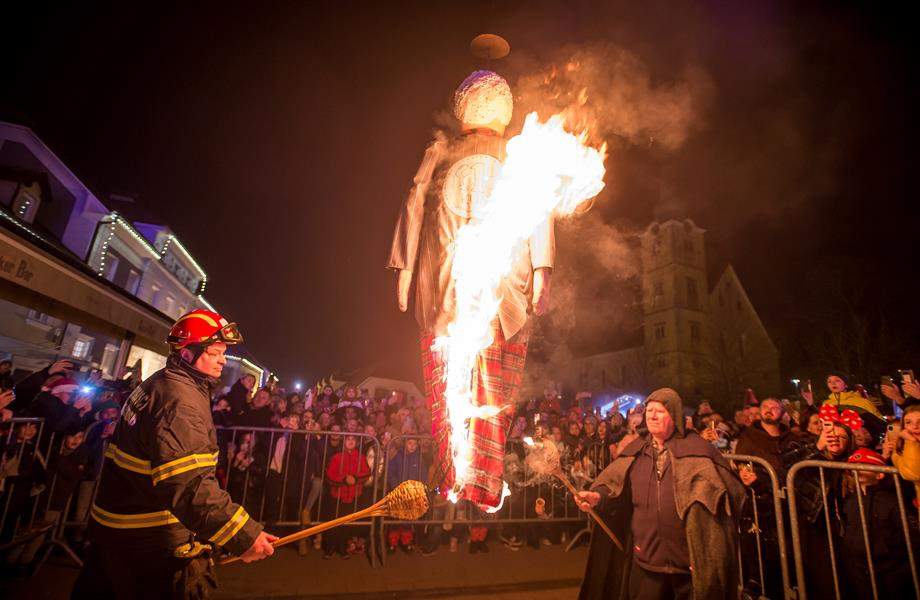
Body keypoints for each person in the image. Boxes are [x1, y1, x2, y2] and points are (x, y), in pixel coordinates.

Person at [387, 69, 555, 509]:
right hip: (446, 283)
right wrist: (404, 266)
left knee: (488, 396)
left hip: (498, 291)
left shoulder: (521, 153)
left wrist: (543, 265)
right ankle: (455, 478)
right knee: (452, 390)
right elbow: (416, 198)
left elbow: (540, 209)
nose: (484, 104)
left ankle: (481, 482)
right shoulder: (442, 150)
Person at [71, 309, 277, 600]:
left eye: (223, 352)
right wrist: (243, 535)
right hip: (147, 542)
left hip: (118, 532)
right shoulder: (179, 400)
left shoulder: (165, 382)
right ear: (188, 353)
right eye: (215, 352)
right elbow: (189, 484)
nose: (222, 360)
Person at [576, 388, 745, 600]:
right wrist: (598, 496)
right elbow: (615, 484)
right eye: (649, 410)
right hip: (646, 560)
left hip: (689, 564)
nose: (652, 415)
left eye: (660, 411)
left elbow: (732, 492)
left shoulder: (696, 447)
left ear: (674, 415)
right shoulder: (636, 450)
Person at [840, 448, 916, 599]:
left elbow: (912, 536)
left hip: (890, 572)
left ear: (879, 474)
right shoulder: (850, 500)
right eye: (854, 465)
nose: (856, 468)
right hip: (859, 571)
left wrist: (902, 573)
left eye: (863, 465)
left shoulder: (891, 501)